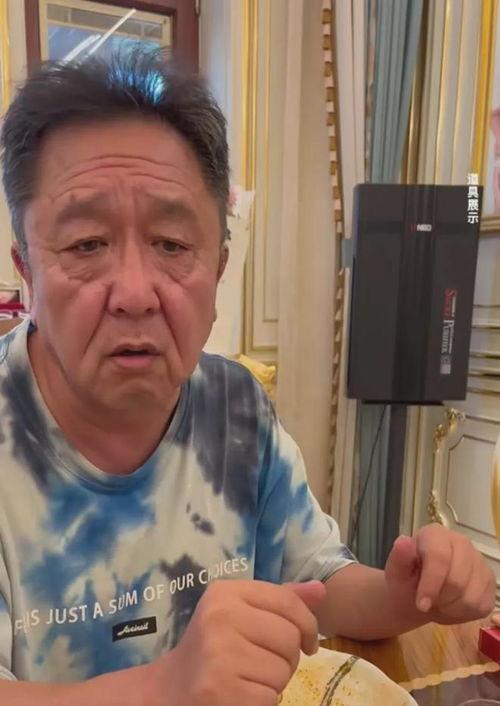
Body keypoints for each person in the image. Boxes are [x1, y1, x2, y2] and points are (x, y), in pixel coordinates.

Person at [0, 51, 495, 706]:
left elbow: (319, 587)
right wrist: (165, 686)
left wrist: (406, 596)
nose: (136, 293)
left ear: (219, 268)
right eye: (87, 244)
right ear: (27, 273)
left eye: (172, 245)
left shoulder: (234, 406)